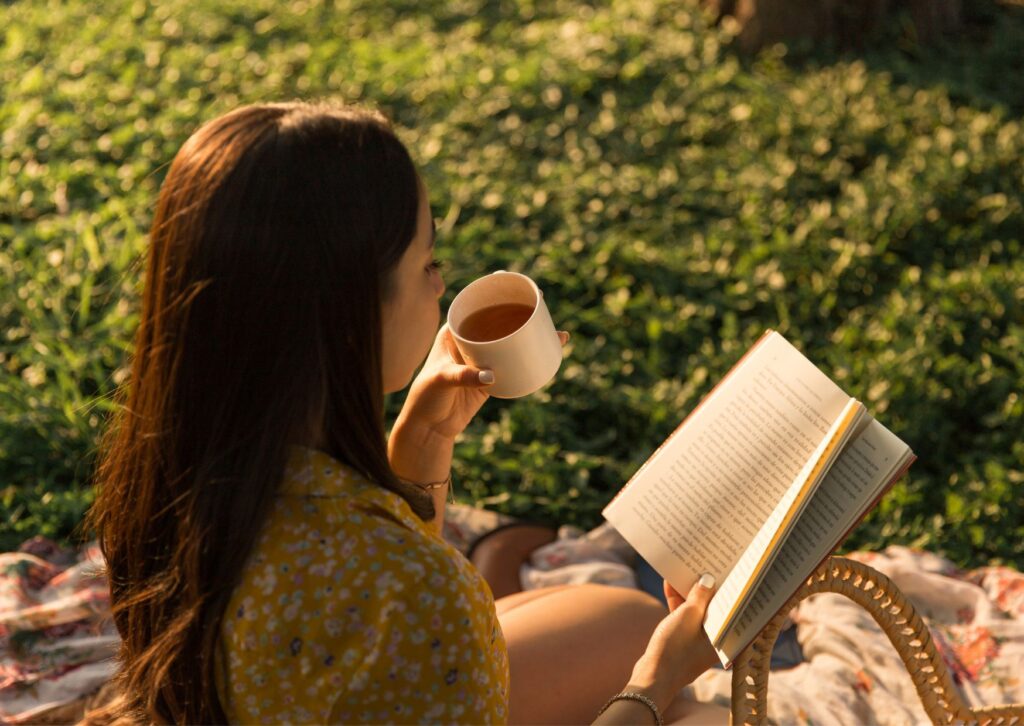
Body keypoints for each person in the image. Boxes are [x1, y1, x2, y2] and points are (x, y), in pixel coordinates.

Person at [88, 102, 726, 724]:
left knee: (625, 622)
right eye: (426, 263)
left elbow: (363, 621)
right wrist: (655, 683)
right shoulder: (418, 592)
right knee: (689, 710)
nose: (440, 286)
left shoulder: (166, 481)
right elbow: (391, 597)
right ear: (353, 314)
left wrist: (422, 441)